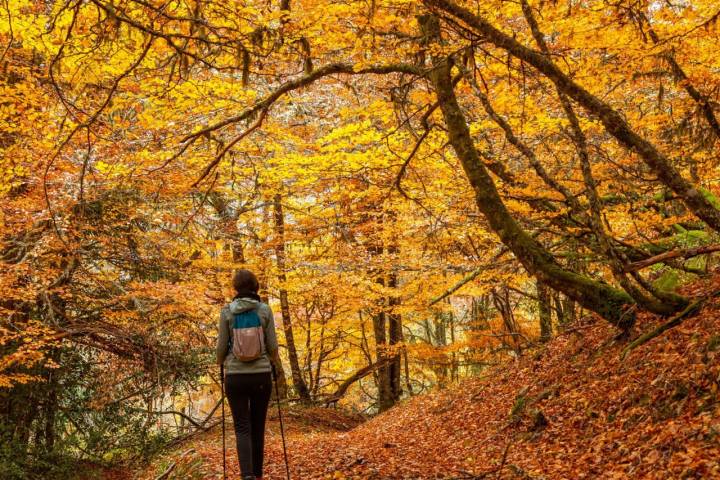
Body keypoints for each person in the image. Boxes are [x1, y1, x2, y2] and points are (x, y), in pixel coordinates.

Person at [217, 269, 279, 480]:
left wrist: (221, 363)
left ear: (236, 288)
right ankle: (258, 474)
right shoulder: (265, 310)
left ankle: (247, 476)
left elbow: (220, 348)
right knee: (257, 425)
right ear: (255, 287)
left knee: (242, 427)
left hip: (235, 376)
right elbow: (272, 346)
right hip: (261, 375)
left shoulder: (227, 312)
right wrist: (273, 363)